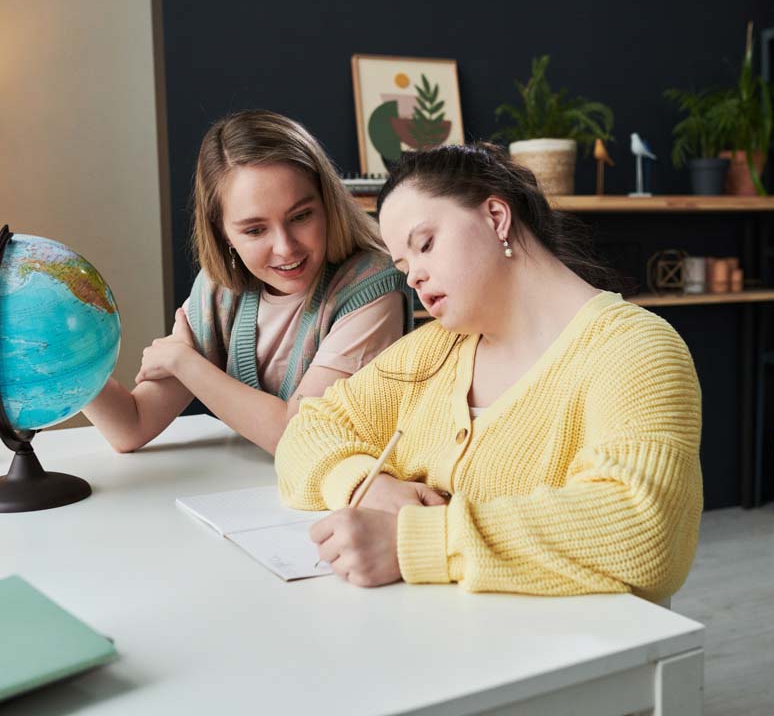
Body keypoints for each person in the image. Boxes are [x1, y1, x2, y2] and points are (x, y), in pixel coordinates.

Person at [275, 143, 703, 602]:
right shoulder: (431, 351)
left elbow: (643, 529)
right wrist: (365, 483)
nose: (414, 277)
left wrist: (416, 542)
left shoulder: (633, 349)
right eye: (404, 266)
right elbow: (308, 429)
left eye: (425, 244)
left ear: (496, 216)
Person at [84, 110, 413, 455]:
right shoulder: (220, 287)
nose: (286, 247)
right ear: (222, 232)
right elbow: (132, 426)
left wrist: (184, 362)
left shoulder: (373, 285)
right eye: (255, 230)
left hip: (356, 493)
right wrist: (59, 359)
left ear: (327, 203)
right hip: (252, 496)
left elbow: (302, 435)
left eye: (301, 216)